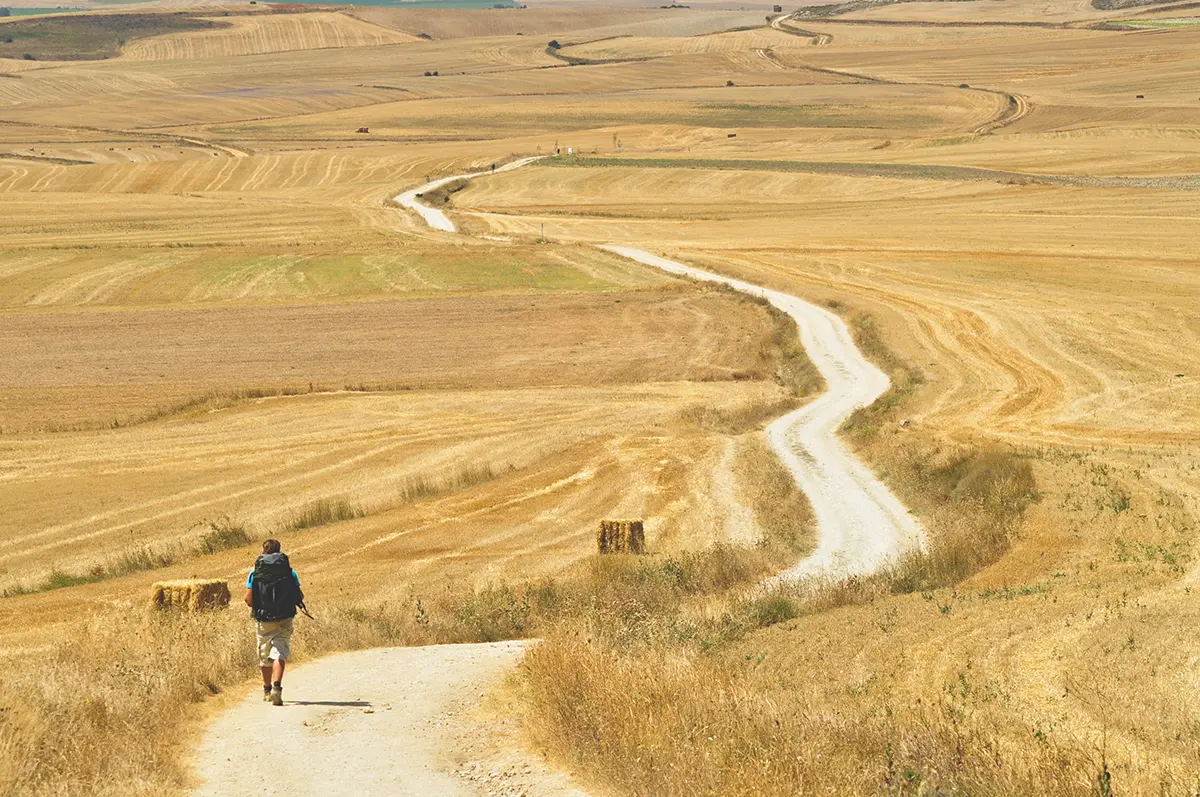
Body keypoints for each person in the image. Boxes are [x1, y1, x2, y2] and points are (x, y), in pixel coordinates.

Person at [244, 539, 303, 706]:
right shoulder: (289, 572)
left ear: (264, 552)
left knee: (265, 655)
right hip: (285, 617)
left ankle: (267, 689)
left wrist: (260, 606)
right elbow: (300, 596)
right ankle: (277, 688)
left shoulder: (255, 572)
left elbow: (248, 599)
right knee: (280, 652)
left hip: (264, 619)